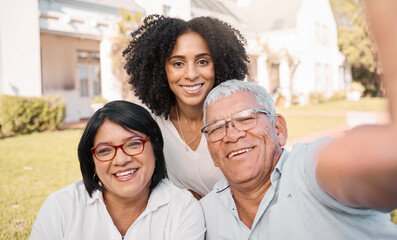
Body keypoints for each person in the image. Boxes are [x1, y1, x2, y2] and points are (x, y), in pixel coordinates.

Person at [199, 79, 397, 239]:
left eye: (246, 119)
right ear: (211, 151)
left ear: (279, 129)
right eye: (216, 129)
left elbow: (364, 167)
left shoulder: (307, 168)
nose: (232, 135)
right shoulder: (202, 216)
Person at [29, 101, 205, 240]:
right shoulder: (60, 207)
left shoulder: (183, 209)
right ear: (92, 161)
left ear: (155, 147)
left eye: (134, 144)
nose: (121, 160)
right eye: (104, 150)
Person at [123, 14, 249, 199]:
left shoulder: (241, 118)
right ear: (160, 69)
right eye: (178, 63)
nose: (191, 74)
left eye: (203, 61)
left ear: (219, 65)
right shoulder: (149, 122)